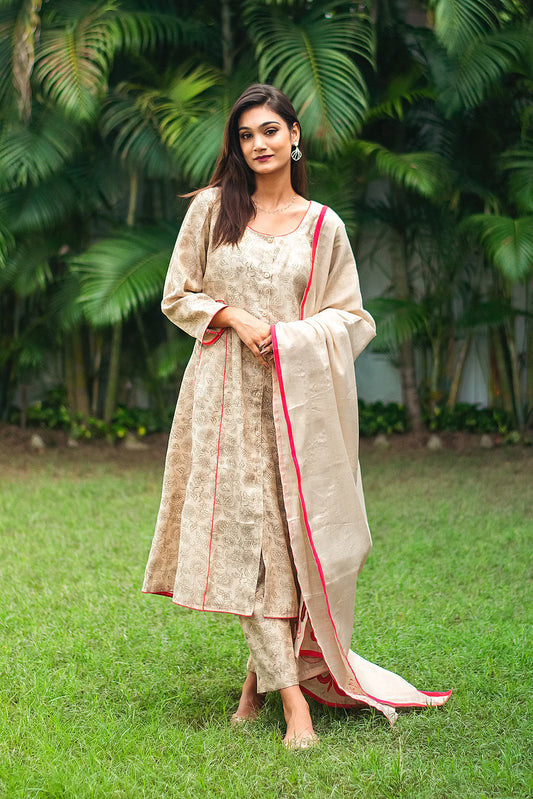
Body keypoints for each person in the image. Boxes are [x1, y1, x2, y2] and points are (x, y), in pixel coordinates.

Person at [142, 84, 451, 750]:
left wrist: (289, 339)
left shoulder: (323, 225)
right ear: (237, 144)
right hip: (221, 396)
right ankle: (295, 709)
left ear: (294, 136)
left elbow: (350, 316)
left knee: (282, 544)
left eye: (269, 131)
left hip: (294, 403)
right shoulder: (209, 211)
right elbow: (178, 294)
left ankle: (255, 687)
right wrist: (236, 316)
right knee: (245, 543)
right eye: (246, 134)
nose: (258, 144)